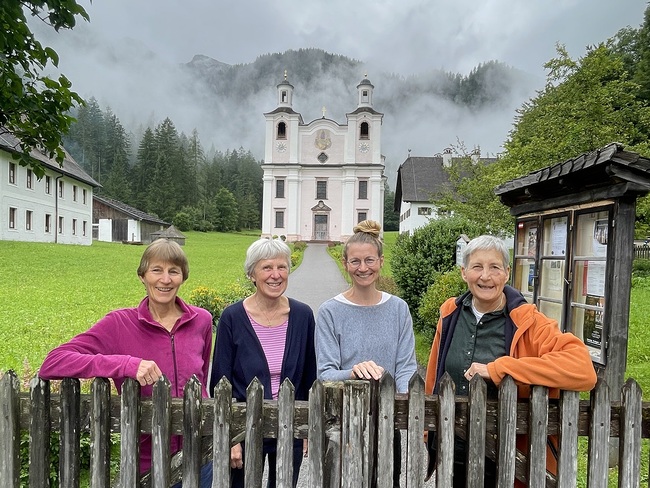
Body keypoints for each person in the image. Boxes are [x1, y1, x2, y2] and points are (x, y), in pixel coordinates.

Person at [424, 235, 598, 487]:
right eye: (477, 267)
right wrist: (429, 428)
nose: (485, 276)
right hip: (454, 444)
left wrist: (500, 368)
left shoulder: (528, 320)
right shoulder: (450, 313)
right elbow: (435, 372)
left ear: (506, 273)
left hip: (510, 448)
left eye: (494, 267)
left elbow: (583, 370)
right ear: (464, 273)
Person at [39, 238, 214, 487]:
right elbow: (53, 362)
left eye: (173, 271)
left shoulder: (202, 320)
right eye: (157, 270)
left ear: (183, 277)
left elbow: (202, 380)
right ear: (142, 276)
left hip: (199, 455)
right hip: (145, 461)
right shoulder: (119, 324)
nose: (165, 279)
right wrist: (126, 364)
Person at [315, 220, 418, 488]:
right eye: (356, 262)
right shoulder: (330, 311)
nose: (363, 268)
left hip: (387, 419)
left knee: (386, 481)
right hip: (342, 422)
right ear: (345, 263)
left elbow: (406, 365)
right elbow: (325, 372)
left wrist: (404, 404)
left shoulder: (398, 309)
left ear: (381, 261)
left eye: (370, 260)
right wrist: (354, 371)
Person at [209, 238, 316, 488]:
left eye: (282, 267)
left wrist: (308, 427)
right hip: (244, 428)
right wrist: (231, 438)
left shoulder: (303, 315)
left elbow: (310, 376)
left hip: (289, 425)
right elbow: (220, 381)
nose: (275, 275)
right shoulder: (232, 318)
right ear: (252, 274)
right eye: (267, 267)